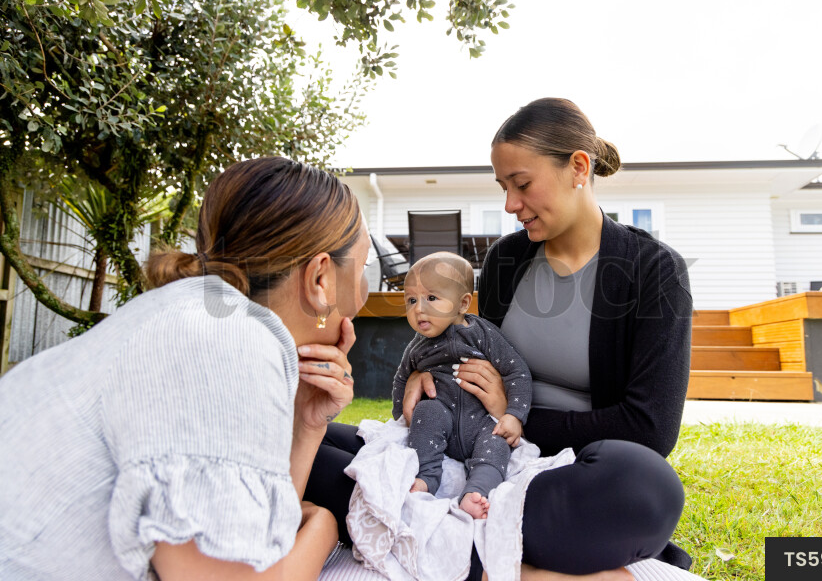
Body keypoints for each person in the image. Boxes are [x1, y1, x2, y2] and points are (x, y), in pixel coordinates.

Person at [305, 98, 692, 581]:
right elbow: (466, 345)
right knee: (306, 441)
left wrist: (515, 418)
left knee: (646, 487)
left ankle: (431, 537)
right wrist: (424, 377)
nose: (510, 205)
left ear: (578, 167)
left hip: (561, 469)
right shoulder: (508, 261)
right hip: (463, 444)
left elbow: (650, 428)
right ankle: (495, 560)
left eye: (523, 184)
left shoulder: (653, 270)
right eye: (503, 187)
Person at [0, 156, 371, 581]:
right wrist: (324, 525)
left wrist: (307, 424)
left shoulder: (209, 317)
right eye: (360, 274)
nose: (359, 299)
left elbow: (259, 542)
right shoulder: (226, 338)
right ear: (321, 279)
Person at [394, 252, 532, 519]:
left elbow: (517, 372)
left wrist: (514, 415)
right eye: (411, 300)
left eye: (431, 298)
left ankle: (476, 492)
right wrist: (403, 415)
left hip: (480, 423)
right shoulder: (418, 347)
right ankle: (425, 478)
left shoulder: (482, 334)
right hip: (440, 418)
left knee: (497, 443)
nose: (419, 308)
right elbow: (402, 379)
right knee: (427, 413)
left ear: (463, 303)